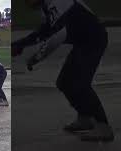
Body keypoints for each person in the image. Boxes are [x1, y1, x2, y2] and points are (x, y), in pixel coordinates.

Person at [13, 0, 113, 141]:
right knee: (64, 82)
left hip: (93, 40)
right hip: (83, 42)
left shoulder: (57, 4)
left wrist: (35, 58)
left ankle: (104, 127)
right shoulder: (47, 6)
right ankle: (85, 118)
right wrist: (21, 44)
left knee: (80, 84)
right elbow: (44, 30)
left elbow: (56, 37)